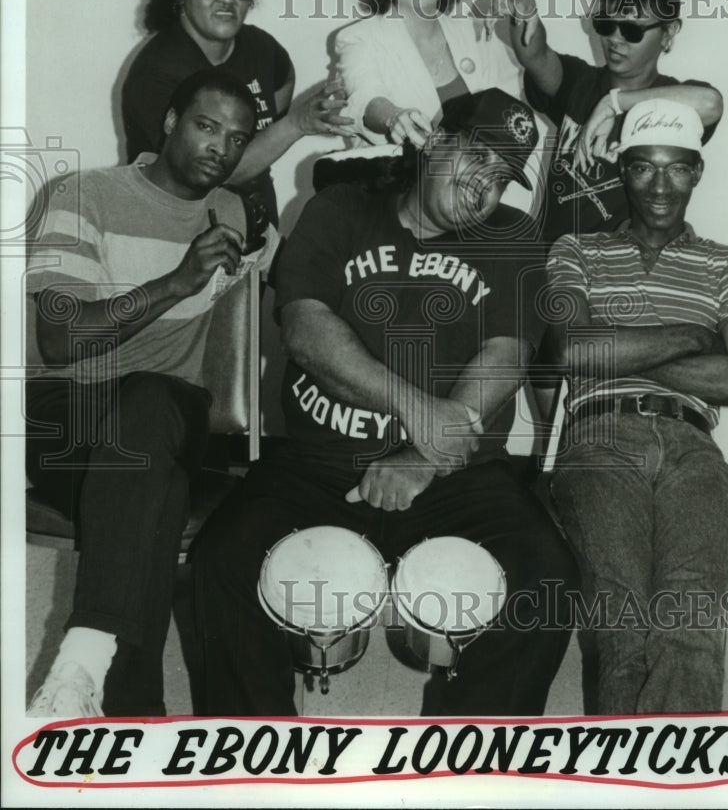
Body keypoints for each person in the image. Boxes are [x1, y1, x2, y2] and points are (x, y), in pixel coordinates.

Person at [192, 88, 577, 716]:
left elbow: (506, 356)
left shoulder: (513, 234)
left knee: (547, 578)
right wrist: (418, 411)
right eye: (477, 161)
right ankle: (253, 763)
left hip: (460, 470)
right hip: (319, 461)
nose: (486, 189)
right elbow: (307, 332)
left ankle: (466, 765)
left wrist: (425, 457)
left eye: (503, 178)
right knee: (224, 562)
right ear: (436, 141)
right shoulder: (339, 208)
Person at [26, 69, 278, 717]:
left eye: (237, 138)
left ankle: (82, 663)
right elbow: (57, 341)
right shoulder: (84, 194)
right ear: (169, 123)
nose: (220, 147)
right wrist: (175, 281)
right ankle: (135, 716)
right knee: (150, 496)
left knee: (153, 406)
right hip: (70, 420)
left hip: (170, 415)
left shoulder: (227, 212)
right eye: (206, 126)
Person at [545, 98, 728, 714]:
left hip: (694, 447)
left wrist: (621, 349)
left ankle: (677, 788)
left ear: (697, 172)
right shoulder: (574, 250)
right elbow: (576, 353)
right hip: (598, 440)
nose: (660, 185)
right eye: (642, 167)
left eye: (676, 168)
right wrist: (696, 337)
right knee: (623, 630)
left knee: (691, 623)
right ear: (621, 172)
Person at [121, 0, 352, 228]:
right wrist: (297, 124)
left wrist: (279, 131)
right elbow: (207, 174)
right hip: (174, 231)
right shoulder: (156, 73)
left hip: (255, 225)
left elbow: (282, 84)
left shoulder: (263, 49)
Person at [508, 0, 724, 245]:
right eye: (606, 24)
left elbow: (710, 103)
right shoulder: (578, 82)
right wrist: (523, 6)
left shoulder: (674, 105)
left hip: (620, 273)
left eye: (632, 30)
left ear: (668, 32)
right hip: (552, 264)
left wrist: (615, 103)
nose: (615, 39)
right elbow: (534, 53)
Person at [334, 0, 532, 149]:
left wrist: (522, 12)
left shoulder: (476, 30)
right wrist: (393, 117)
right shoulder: (358, 38)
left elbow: (520, 93)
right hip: (399, 184)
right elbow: (364, 98)